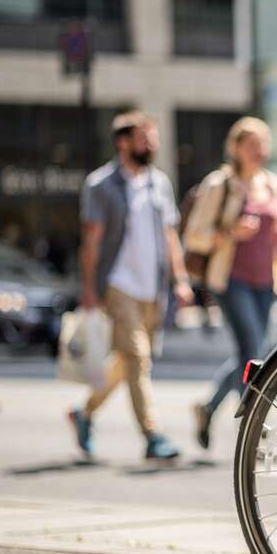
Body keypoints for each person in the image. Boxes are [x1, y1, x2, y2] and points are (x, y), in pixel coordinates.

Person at [68, 111, 193, 461]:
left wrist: (180, 279)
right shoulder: (100, 185)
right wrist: (90, 289)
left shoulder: (159, 183)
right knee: (138, 359)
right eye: (143, 138)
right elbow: (91, 241)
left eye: (152, 138)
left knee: (127, 364)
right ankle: (153, 436)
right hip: (118, 285)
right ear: (122, 142)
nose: (151, 144)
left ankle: (84, 413)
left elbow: (170, 236)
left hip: (153, 288)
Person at [185, 117, 277, 449]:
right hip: (231, 279)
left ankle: (207, 408)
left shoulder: (273, 185)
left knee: (251, 353)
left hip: (267, 280)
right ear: (235, 148)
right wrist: (230, 233)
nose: (259, 150)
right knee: (253, 350)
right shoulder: (219, 184)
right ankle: (254, 429)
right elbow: (194, 235)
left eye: (263, 144)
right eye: (252, 144)